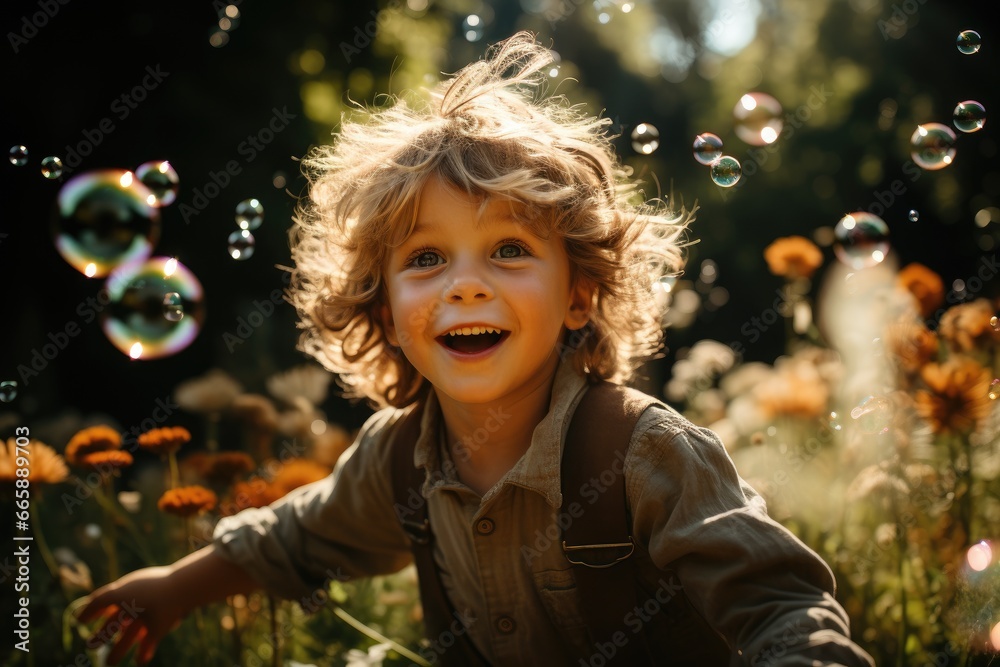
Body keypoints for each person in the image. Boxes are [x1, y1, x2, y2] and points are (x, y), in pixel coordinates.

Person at [78, 32, 875, 666]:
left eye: (508, 250)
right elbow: (295, 535)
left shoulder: (643, 450)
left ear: (578, 294)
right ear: (386, 312)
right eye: (425, 260)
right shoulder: (397, 460)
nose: (464, 285)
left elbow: (781, 607)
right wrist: (175, 586)